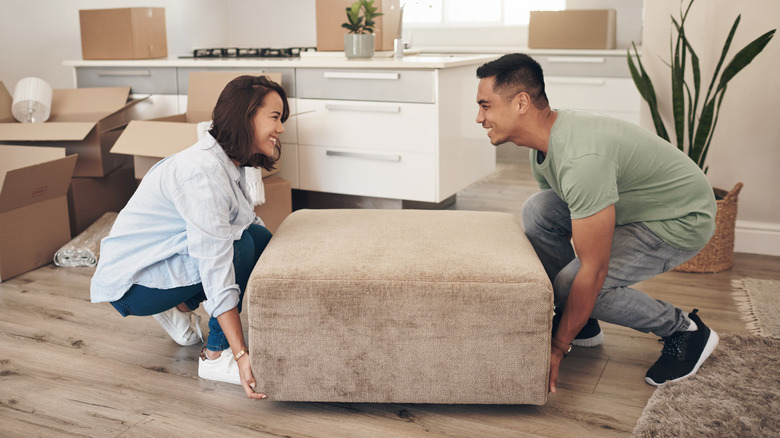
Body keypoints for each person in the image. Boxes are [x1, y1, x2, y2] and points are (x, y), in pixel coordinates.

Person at [475, 53, 720, 393]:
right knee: (538, 210)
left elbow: (595, 267)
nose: (479, 117)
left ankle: (684, 330)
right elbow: (568, 223)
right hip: (635, 205)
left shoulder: (580, 159)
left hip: (679, 218)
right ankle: (583, 321)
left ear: (521, 102)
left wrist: (559, 347)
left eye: (485, 106)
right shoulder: (542, 146)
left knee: (577, 281)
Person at [91, 75, 289, 400]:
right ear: (246, 116)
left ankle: (180, 303)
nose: (280, 129)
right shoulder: (202, 174)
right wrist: (240, 353)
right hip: (131, 284)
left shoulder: (229, 162)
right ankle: (214, 356)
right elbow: (216, 265)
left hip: (157, 258)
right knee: (240, 248)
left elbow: (247, 223)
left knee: (257, 237)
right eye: (275, 117)